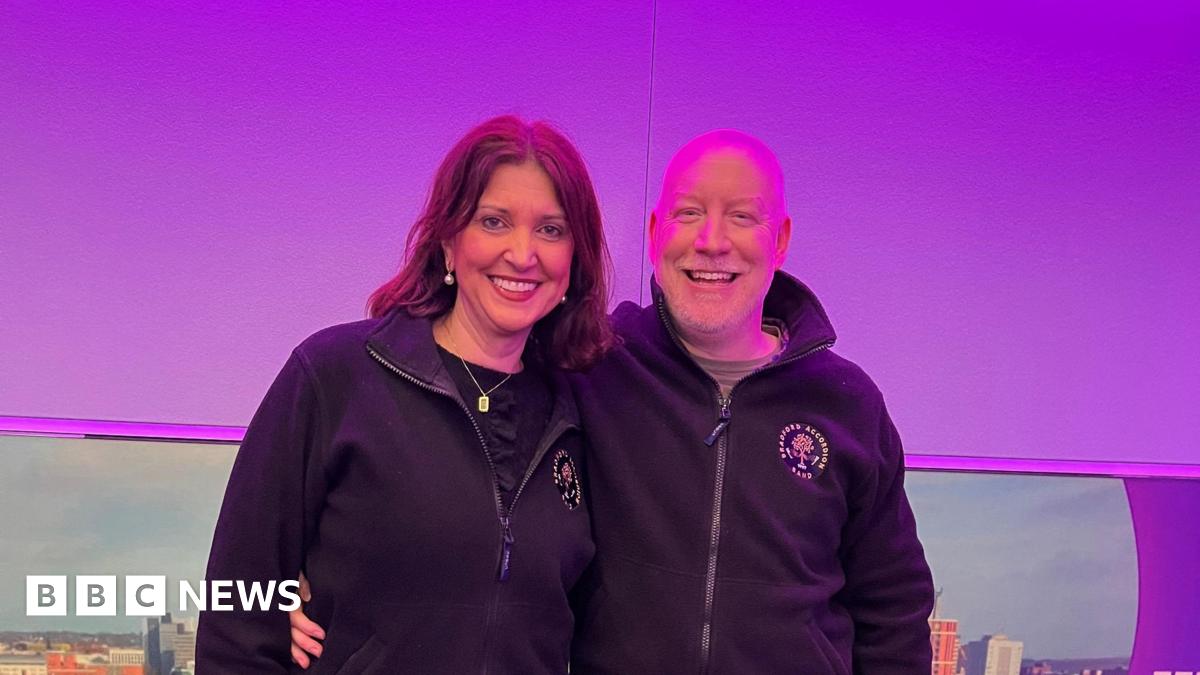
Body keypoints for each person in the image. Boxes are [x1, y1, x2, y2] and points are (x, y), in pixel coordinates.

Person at [291, 130, 934, 673]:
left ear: (781, 238)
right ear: (655, 233)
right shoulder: (592, 364)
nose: (711, 241)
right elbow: (446, 421)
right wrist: (283, 597)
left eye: (743, 216)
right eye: (687, 213)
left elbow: (893, 612)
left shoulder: (848, 404)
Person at [197, 115, 614, 674]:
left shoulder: (586, 411)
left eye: (551, 229)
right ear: (448, 240)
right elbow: (236, 609)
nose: (522, 253)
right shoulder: (335, 377)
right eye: (493, 222)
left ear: (575, 258)